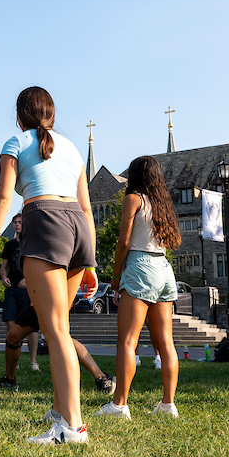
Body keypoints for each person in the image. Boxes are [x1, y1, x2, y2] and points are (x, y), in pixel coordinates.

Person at [0, 87, 96, 445]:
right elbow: (87, 208)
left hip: (45, 220)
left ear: (19, 114)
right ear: (52, 113)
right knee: (59, 327)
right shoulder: (72, 148)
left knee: (55, 329)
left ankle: (72, 428)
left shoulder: (15, 142)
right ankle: (61, 412)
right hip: (78, 228)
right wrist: (91, 263)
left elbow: (2, 197)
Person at [96, 156, 183, 419]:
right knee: (166, 342)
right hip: (164, 268)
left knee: (127, 341)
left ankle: (119, 404)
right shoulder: (162, 203)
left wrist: (115, 275)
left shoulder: (134, 198)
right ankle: (168, 404)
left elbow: (123, 242)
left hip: (140, 265)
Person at [0, 287, 114, 396]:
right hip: (41, 295)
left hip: (51, 296)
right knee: (13, 336)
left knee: (60, 338)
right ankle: (9, 379)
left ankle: (102, 378)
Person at [0, 213, 40, 371]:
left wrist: (29, 280)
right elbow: (3, 267)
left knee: (31, 326)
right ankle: (13, 361)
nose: (17, 225)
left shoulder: (33, 244)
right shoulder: (9, 245)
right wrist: (3, 278)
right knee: (10, 322)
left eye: (20, 222)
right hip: (12, 289)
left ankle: (33, 362)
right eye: (15, 222)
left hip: (29, 290)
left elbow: (38, 267)